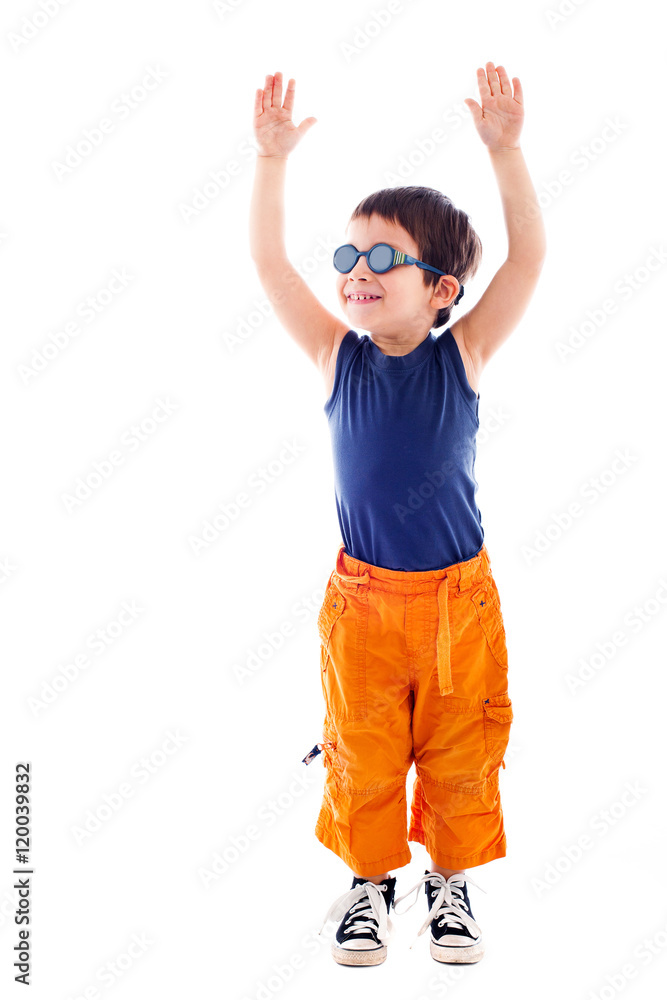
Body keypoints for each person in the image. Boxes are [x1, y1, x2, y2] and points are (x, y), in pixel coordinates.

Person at [249, 63, 546, 967]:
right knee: (363, 751)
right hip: (364, 609)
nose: (357, 273)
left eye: (383, 258)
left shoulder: (464, 356)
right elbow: (270, 265)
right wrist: (271, 163)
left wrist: (506, 153)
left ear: (441, 289)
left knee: (461, 753)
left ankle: (449, 884)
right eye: (349, 258)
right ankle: (369, 883)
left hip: (459, 607)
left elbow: (527, 261)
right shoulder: (336, 357)